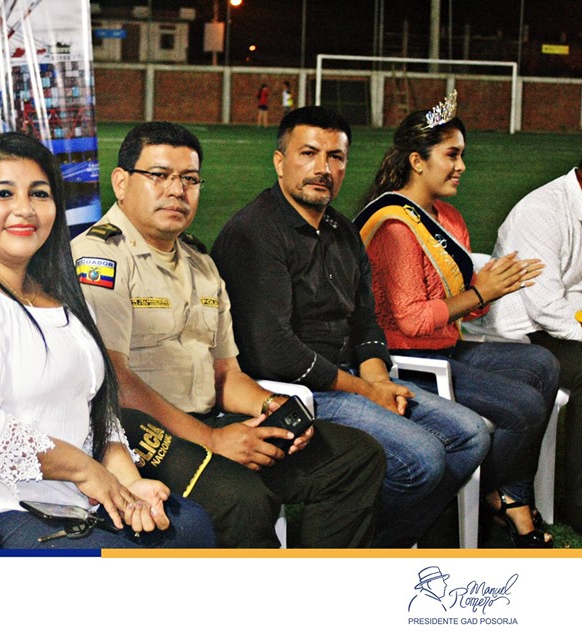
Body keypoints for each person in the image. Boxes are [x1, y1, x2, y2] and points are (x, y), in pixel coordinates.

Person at [0, 132, 214, 549]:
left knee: (190, 526)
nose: (25, 209)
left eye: (39, 193)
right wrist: (86, 470)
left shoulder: (57, 295)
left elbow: (95, 408)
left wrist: (129, 485)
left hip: (65, 503)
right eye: (4, 194)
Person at [71, 121, 385, 548]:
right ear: (121, 182)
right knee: (244, 500)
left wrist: (272, 406)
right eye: (159, 175)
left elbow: (226, 375)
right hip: (136, 436)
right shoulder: (99, 258)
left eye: (189, 179)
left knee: (353, 457)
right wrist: (212, 440)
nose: (177, 191)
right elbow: (116, 382)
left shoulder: (200, 263)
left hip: (208, 423)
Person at [211, 106, 490, 548]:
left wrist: (378, 379)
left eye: (336, 157)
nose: (323, 168)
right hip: (296, 392)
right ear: (280, 162)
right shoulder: (254, 233)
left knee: (470, 436)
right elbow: (274, 351)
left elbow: (365, 320)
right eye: (308, 153)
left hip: (353, 380)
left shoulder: (342, 231)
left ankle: (379, 544)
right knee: (422, 458)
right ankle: (357, 548)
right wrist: (366, 390)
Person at [354, 93, 559, 548]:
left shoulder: (447, 216)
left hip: (445, 348)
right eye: (451, 155)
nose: (461, 166)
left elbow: (462, 301)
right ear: (417, 161)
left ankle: (503, 494)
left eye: (462, 154)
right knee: (524, 406)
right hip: (405, 360)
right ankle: (505, 504)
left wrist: (487, 291)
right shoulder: (395, 227)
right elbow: (410, 320)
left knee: (544, 364)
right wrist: (480, 292)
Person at [475, 159, 582, 534]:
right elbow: (546, 308)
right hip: (521, 333)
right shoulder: (542, 210)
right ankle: (578, 506)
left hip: (562, 325)